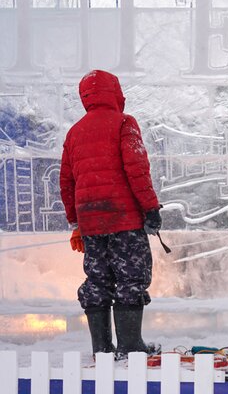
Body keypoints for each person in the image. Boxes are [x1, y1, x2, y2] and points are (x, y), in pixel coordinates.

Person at [60, 69, 162, 359]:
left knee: (98, 278)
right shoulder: (123, 124)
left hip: (91, 223)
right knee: (131, 276)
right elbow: (137, 169)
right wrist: (150, 208)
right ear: (115, 93)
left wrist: (76, 221)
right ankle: (131, 347)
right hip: (124, 219)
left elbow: (66, 181)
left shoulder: (74, 132)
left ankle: (102, 348)